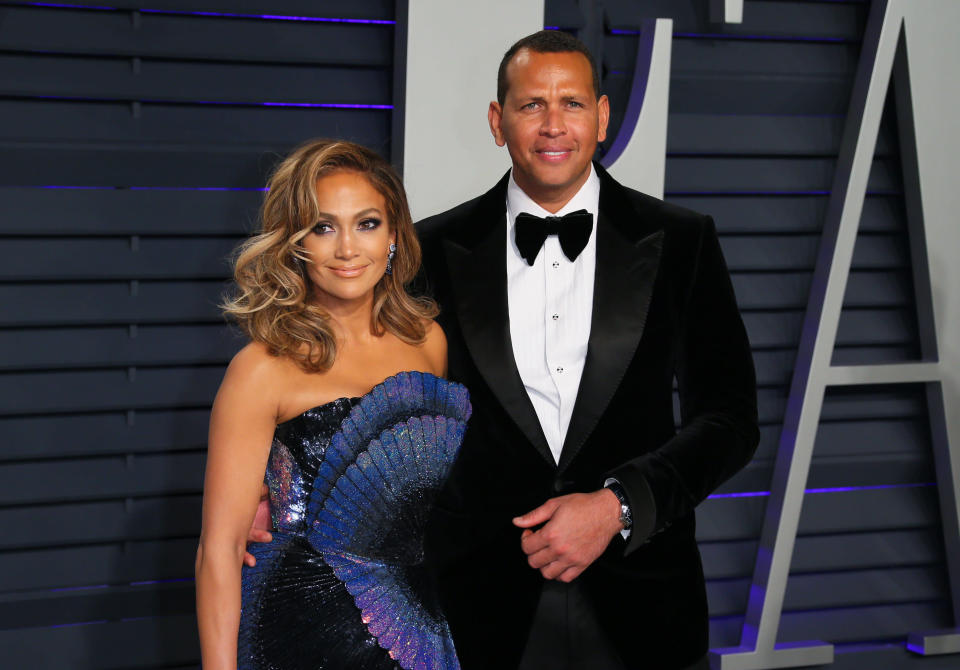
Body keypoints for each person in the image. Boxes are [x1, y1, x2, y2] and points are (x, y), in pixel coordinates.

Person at [415, 30, 760, 670]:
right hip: (477, 609)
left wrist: (617, 506)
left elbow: (732, 420)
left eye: (572, 104)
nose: (553, 125)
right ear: (498, 121)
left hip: (643, 602)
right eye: (531, 105)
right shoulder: (428, 250)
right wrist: (279, 489)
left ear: (602, 118)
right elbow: (374, 400)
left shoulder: (682, 241)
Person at [195, 139, 469, 670]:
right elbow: (219, 553)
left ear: (394, 236)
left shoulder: (427, 342)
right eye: (323, 228)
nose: (347, 249)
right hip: (296, 628)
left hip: (413, 628)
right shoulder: (261, 368)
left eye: (367, 223)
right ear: (295, 244)